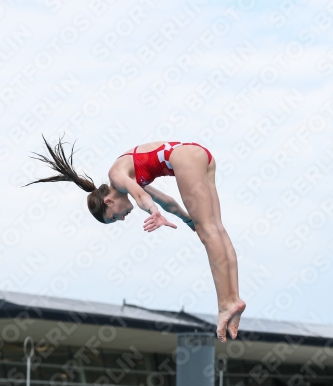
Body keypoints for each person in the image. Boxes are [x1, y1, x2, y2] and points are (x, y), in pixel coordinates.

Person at [24, 137, 246, 341]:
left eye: (114, 217)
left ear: (109, 202)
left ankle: (225, 303)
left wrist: (153, 212)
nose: (121, 218)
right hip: (201, 155)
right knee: (215, 229)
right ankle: (233, 298)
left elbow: (142, 197)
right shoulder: (127, 177)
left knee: (208, 231)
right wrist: (189, 222)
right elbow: (167, 201)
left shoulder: (116, 176)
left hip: (185, 157)